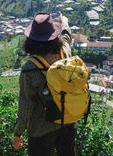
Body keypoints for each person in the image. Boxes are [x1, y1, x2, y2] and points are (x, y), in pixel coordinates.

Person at [12, 13, 76, 156]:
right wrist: (64, 21)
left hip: (42, 128)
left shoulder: (30, 67)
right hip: (68, 120)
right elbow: (66, 35)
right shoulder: (64, 50)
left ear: (30, 40)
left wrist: (18, 133)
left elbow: (26, 105)